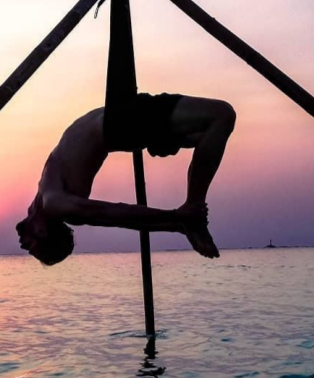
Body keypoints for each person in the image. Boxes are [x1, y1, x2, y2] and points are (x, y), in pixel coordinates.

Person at [16, 92, 235, 265]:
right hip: (121, 123)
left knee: (206, 132)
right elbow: (117, 215)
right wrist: (175, 218)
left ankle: (189, 220)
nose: (22, 245)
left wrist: (174, 223)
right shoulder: (56, 204)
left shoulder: (41, 199)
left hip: (120, 116)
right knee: (221, 116)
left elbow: (118, 217)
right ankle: (193, 212)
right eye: (31, 247)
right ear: (42, 232)